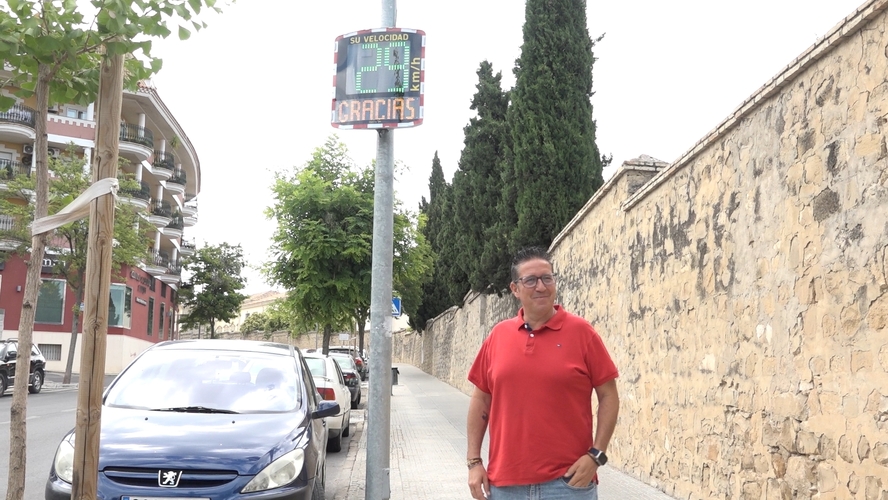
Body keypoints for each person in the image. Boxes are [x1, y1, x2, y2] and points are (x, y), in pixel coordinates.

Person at [467, 246, 620, 499]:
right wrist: (474, 462)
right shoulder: (498, 336)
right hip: (505, 485)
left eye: (547, 278)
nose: (541, 286)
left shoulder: (583, 333)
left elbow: (609, 395)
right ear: (515, 289)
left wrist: (597, 455)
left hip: (569, 485)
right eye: (530, 280)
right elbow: (481, 398)